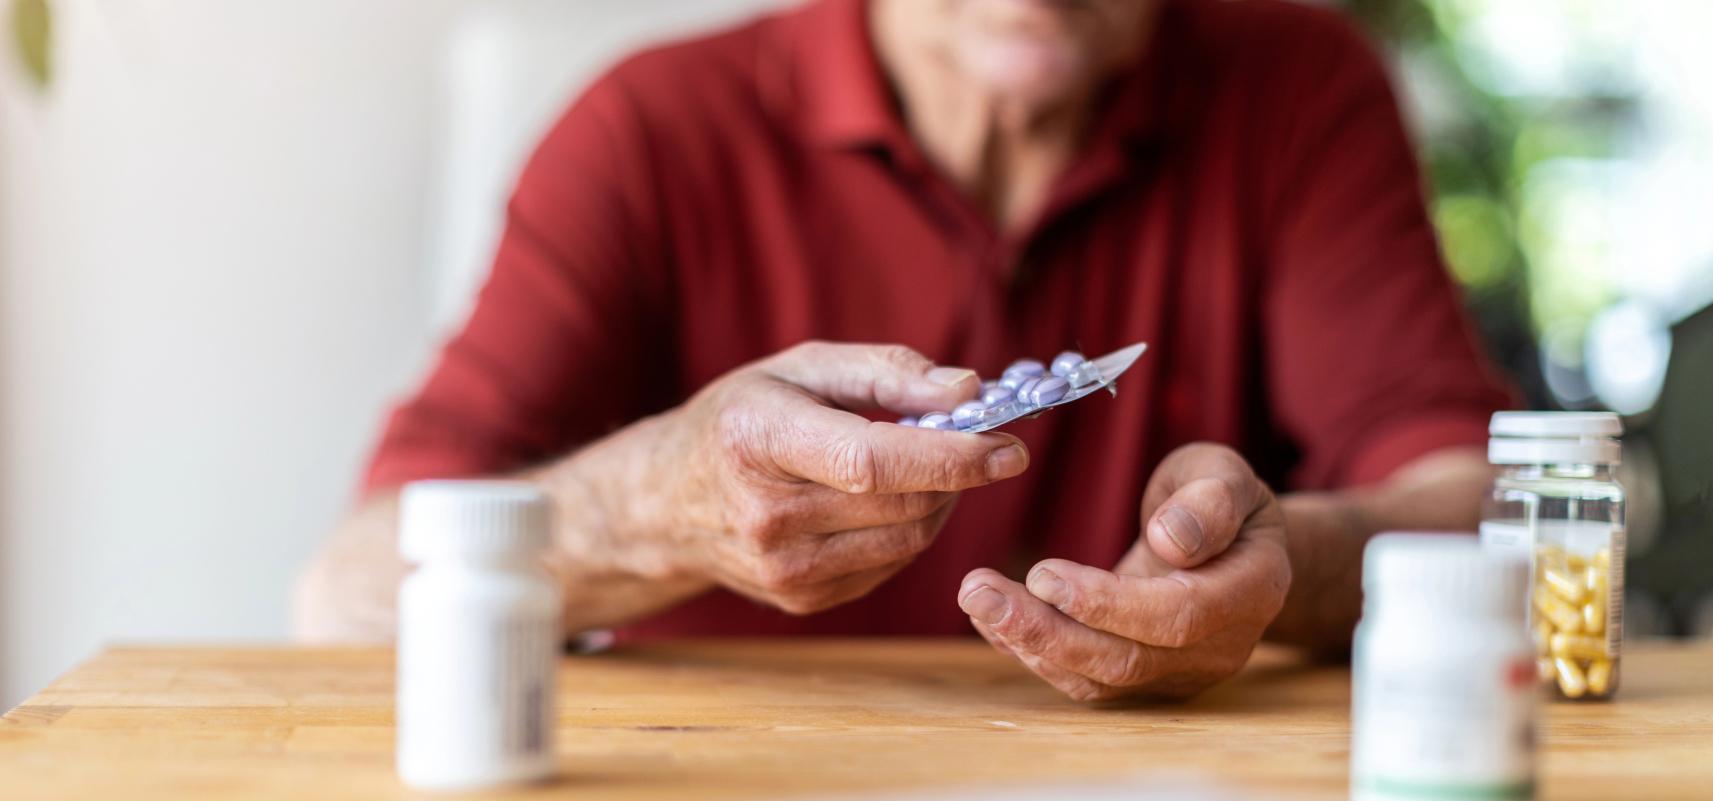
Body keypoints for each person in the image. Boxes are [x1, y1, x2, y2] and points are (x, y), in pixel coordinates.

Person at [295, 0, 1513, 702]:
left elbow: (1490, 505)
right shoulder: (650, 132)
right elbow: (349, 590)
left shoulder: (1298, 93)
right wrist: (663, 502)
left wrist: (1289, 567)